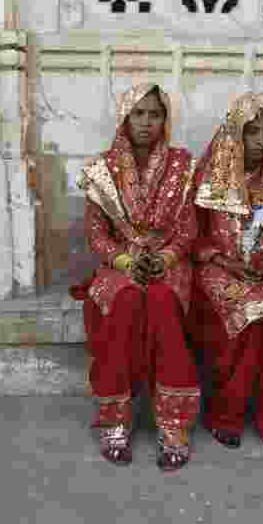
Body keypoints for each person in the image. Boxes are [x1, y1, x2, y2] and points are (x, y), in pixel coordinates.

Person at [71, 83, 201, 472]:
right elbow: (96, 234)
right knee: (126, 303)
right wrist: (126, 262)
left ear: (166, 120)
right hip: (121, 264)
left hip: (168, 263)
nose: (146, 122)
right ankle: (115, 421)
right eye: (138, 114)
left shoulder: (182, 164)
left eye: (155, 114)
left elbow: (188, 229)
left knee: (161, 302)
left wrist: (163, 259)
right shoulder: (102, 169)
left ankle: (174, 424)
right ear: (124, 118)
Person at [188, 92, 263, 454]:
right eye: (252, 132)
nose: (262, 141)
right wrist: (220, 259)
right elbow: (188, 233)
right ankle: (226, 414)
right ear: (234, 134)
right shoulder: (209, 173)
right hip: (219, 269)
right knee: (245, 314)